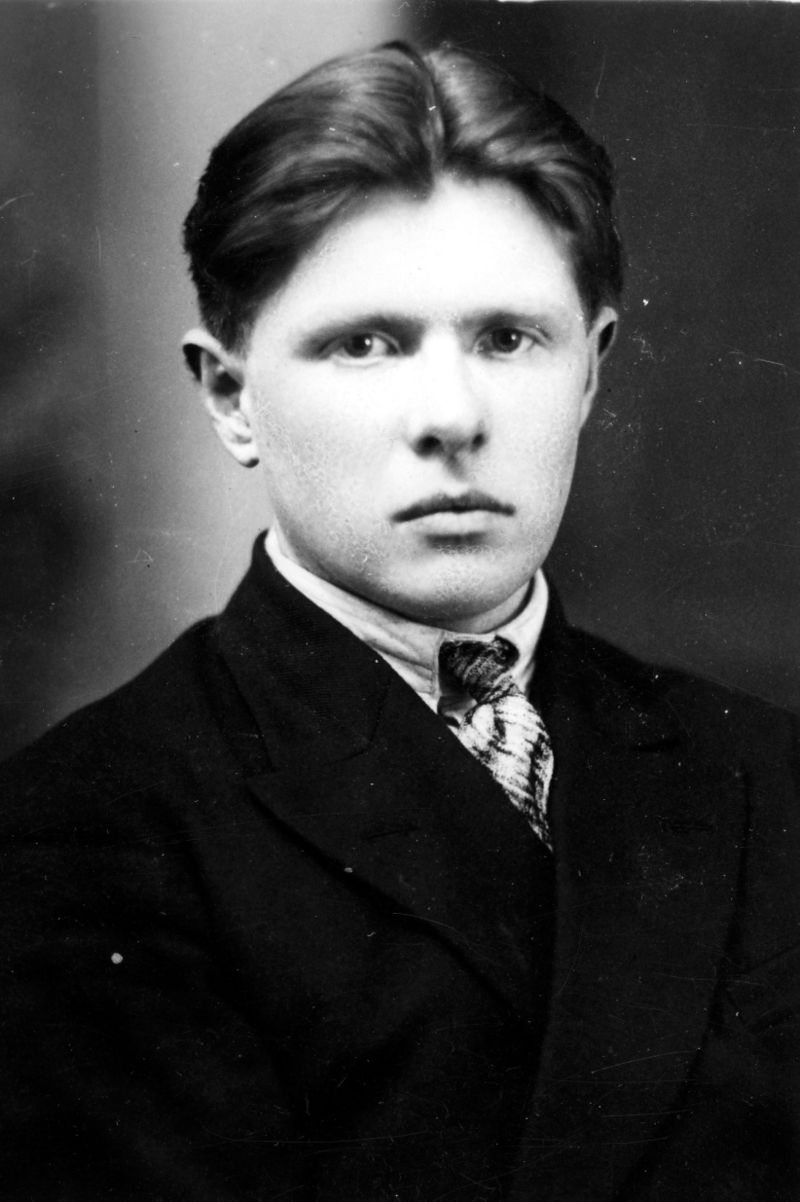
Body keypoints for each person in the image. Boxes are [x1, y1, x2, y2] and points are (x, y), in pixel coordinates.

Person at [1, 40, 798, 1202]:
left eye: (506, 338)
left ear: (588, 370)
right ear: (231, 394)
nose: (450, 415)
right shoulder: (85, 831)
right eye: (365, 343)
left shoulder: (765, 776)